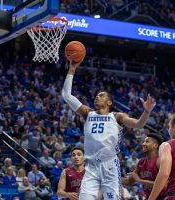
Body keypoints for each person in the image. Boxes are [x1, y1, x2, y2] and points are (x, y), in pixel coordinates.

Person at [62, 60, 155, 200]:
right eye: (97, 95)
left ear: (109, 102)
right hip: (91, 166)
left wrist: (146, 112)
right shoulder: (88, 113)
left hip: (110, 165)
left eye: (101, 95)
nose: (97, 96)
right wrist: (71, 70)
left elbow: (138, 124)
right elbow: (67, 95)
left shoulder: (116, 116)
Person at [122, 133, 166, 199]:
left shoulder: (160, 161)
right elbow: (129, 181)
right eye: (144, 142)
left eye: (147, 142)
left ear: (155, 145)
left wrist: (140, 180)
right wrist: (111, 178)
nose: (143, 144)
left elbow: (164, 184)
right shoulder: (141, 162)